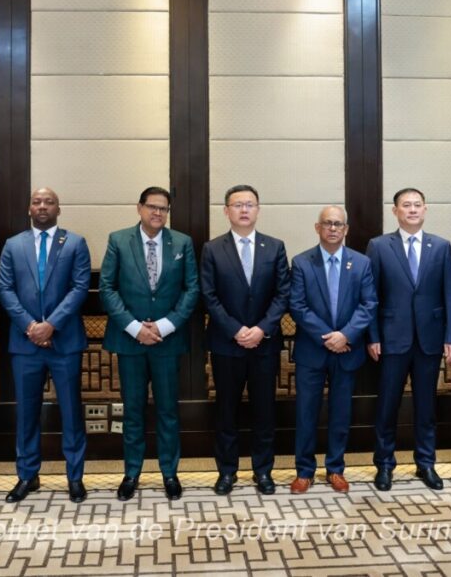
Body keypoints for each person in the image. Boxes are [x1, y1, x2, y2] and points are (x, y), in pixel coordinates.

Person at [99, 187, 199, 501]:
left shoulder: (182, 242)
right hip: (130, 341)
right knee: (133, 411)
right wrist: (134, 328)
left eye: (163, 208)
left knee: (168, 410)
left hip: (167, 341)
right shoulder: (119, 240)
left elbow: (191, 289)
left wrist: (165, 325)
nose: (158, 213)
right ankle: (132, 473)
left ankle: (170, 472)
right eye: (152, 207)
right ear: (139, 208)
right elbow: (107, 288)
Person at [0, 187, 91, 503]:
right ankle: (27, 475)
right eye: (36, 201)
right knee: (26, 413)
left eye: (49, 202)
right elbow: (4, 289)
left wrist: (51, 324)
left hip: (65, 342)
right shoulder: (13, 245)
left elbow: (80, 287)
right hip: (25, 345)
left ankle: (75, 477)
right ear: (29, 208)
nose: (42, 206)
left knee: (71, 412)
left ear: (58, 209)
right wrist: (30, 326)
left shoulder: (75, 243)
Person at [365, 187, 451, 491]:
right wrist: (373, 335)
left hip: (429, 340)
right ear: (395, 211)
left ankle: (426, 463)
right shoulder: (379, 246)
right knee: (387, 406)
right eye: (406, 205)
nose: (412, 209)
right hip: (391, 340)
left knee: (426, 407)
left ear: (425, 209)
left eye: (417, 204)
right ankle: (384, 465)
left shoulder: (441, 246)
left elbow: (450, 293)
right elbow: (370, 295)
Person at [201, 185, 290, 496]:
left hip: (265, 344)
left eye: (249, 204)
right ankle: (227, 471)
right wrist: (236, 330)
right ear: (226, 211)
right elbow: (209, 296)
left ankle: (263, 471)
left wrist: (261, 329)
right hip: (227, 344)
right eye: (237, 204)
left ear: (258, 210)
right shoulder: (212, 249)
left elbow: (282, 294)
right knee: (226, 411)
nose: (244, 210)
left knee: (264, 411)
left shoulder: (275, 247)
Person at [289, 206, 377, 494]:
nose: (333, 228)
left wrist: (346, 335)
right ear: (317, 228)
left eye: (338, 224)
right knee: (306, 413)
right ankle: (304, 471)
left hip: (347, 349)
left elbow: (368, 304)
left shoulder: (361, 263)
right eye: (327, 223)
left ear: (346, 229)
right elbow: (297, 306)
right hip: (312, 350)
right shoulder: (302, 262)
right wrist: (327, 337)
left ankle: (335, 468)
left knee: (341, 412)